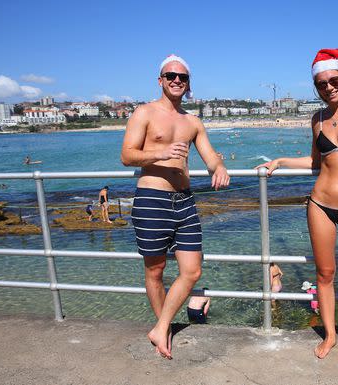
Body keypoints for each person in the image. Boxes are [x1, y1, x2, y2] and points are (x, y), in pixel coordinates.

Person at [257, 48, 338, 360]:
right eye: (321, 84)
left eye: (334, 80)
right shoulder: (317, 119)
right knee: (325, 275)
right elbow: (317, 161)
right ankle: (330, 334)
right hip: (319, 204)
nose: (328, 87)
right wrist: (280, 161)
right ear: (316, 87)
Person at [120, 54, 230, 359]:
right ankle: (164, 330)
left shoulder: (193, 122)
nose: (177, 80)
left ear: (188, 83)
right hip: (152, 199)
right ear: (160, 80)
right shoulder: (144, 113)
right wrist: (161, 151)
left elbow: (210, 156)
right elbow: (127, 155)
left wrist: (218, 166)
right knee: (155, 271)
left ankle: (161, 325)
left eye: (182, 77)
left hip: (185, 201)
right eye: (171, 76)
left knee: (192, 272)